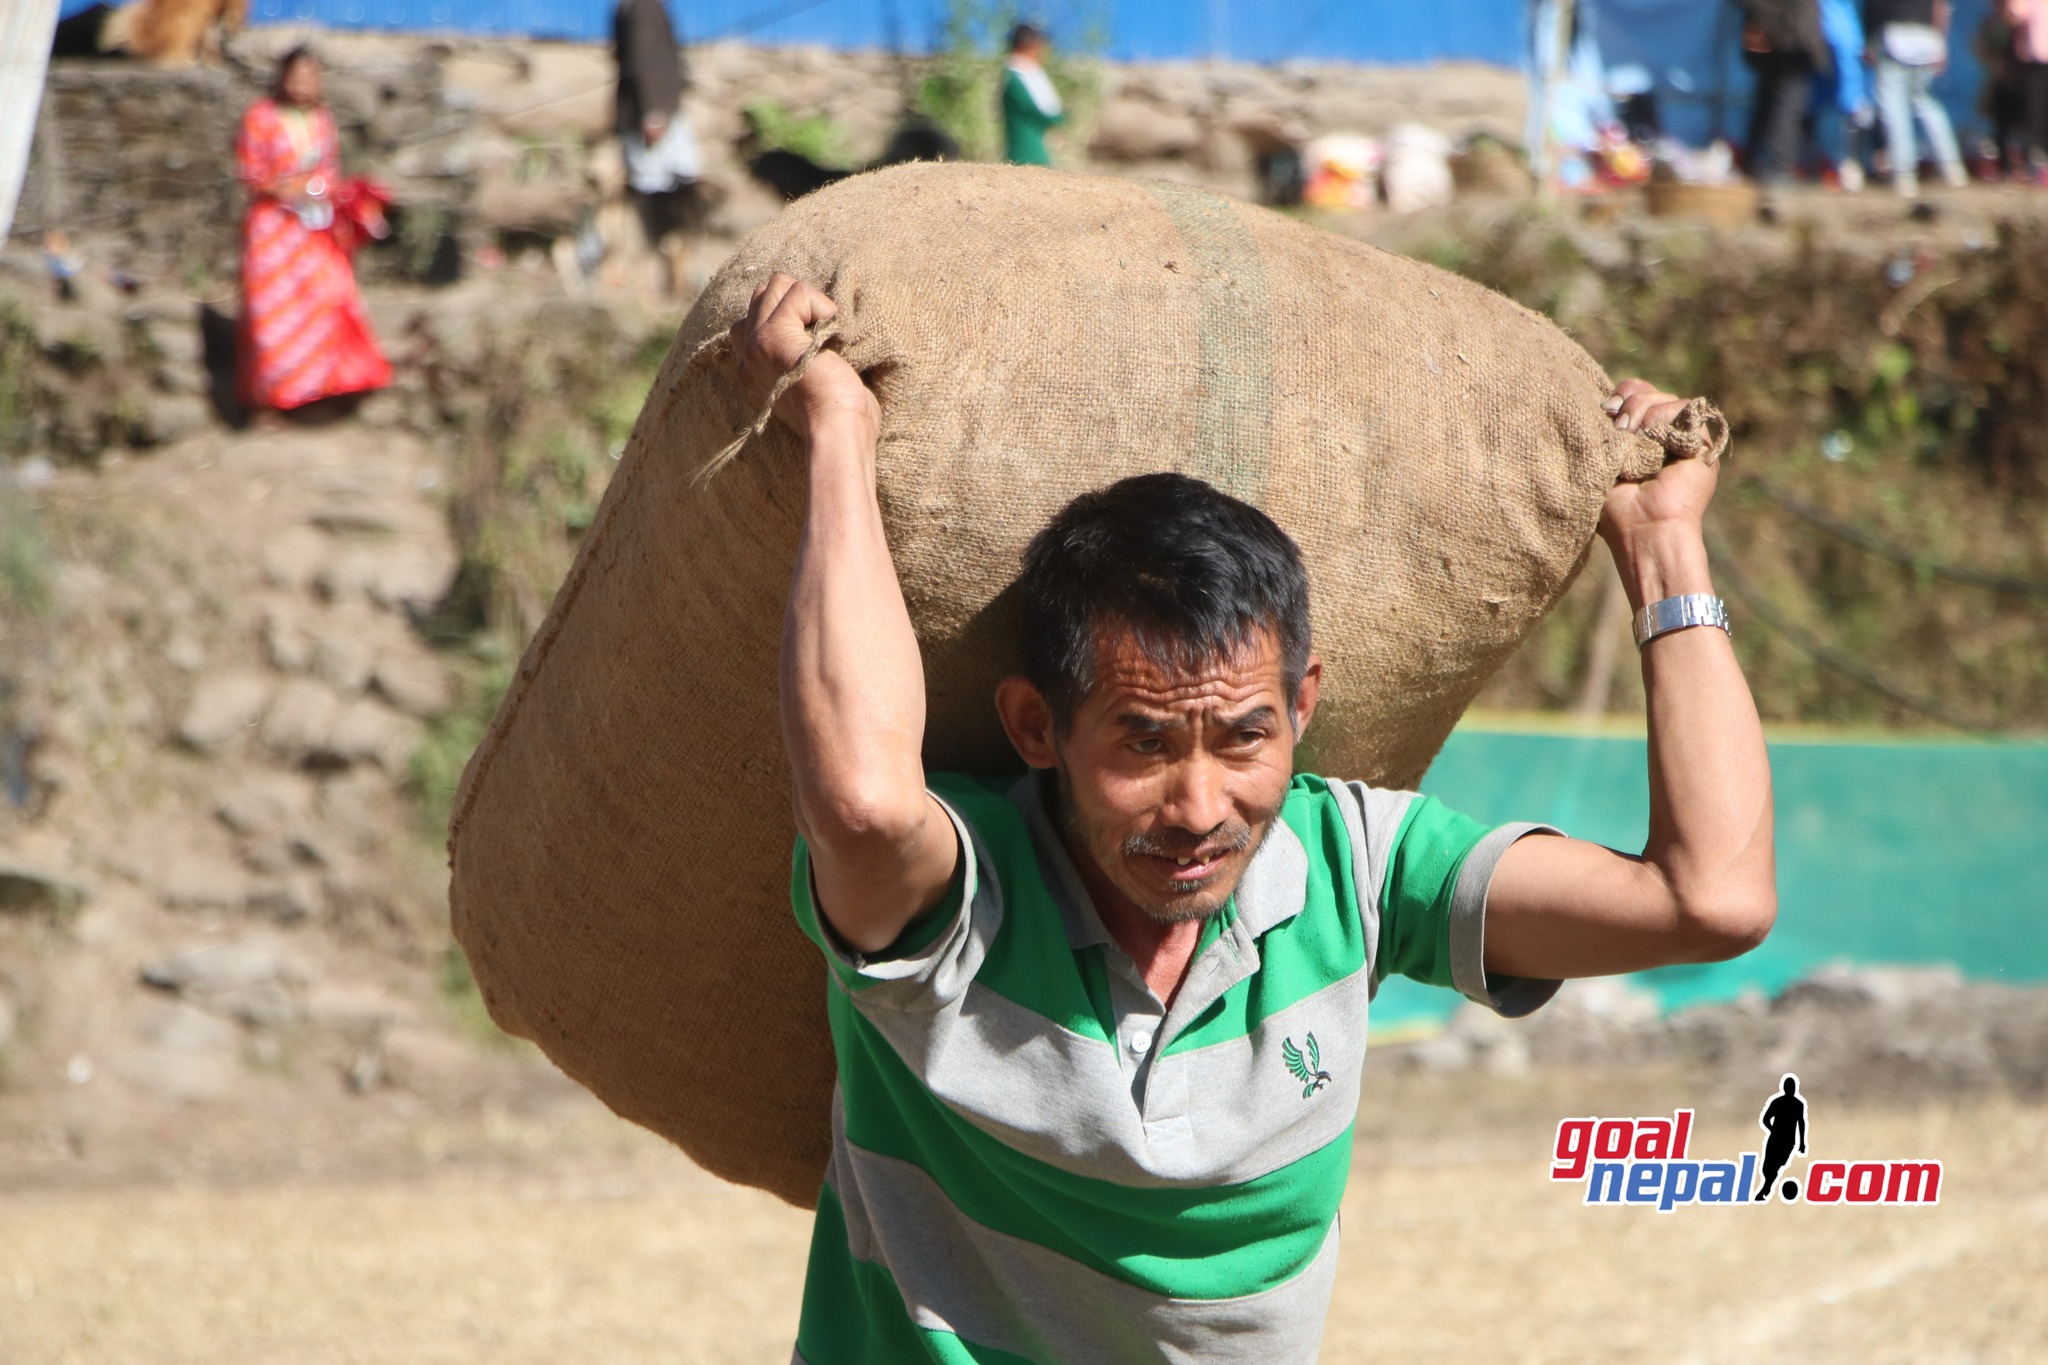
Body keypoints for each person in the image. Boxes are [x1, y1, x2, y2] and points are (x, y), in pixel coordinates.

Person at [733, 275, 1778, 1363]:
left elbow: (1707, 900)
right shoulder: (966, 901)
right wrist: (838, 431)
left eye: (1242, 739)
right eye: (1142, 744)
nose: (1197, 811)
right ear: (1035, 728)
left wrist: (1661, 547)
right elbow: (857, 804)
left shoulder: (1356, 866)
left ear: (1302, 708)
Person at [235, 47, 390, 417]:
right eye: (296, 76)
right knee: (274, 312)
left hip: (313, 226)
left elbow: (329, 169)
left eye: (310, 77)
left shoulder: (322, 119)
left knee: (329, 297)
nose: (303, 84)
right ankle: (274, 399)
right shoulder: (262, 118)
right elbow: (252, 174)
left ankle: (322, 390)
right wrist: (291, 190)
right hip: (274, 229)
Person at [612, 0, 702, 290]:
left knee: (673, 187)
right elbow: (645, 56)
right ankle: (664, 272)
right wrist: (653, 113)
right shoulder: (643, 7)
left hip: (658, 110)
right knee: (660, 194)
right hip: (653, 115)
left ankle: (675, 273)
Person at [1865, 0, 1968, 194]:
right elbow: (1942, 7)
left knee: (1894, 107)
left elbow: (1874, 7)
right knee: (1924, 102)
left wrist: (1869, 40)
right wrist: (1940, 42)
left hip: (1895, 36)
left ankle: (1904, 174)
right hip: (1927, 38)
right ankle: (1952, 168)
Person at [1741, 0, 1835, 184]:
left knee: (1770, 101)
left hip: (1782, 34)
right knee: (1788, 105)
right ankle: (1778, 168)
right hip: (1792, 36)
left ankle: (1754, 162)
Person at [1001, 22, 1064, 167]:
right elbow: (1050, 114)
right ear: (1029, 45)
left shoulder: (1026, 74)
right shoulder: (1018, 79)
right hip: (1027, 157)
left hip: (1035, 154)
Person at [2006, 0, 2048, 181]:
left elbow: (2015, 17)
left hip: (2038, 62)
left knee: (2035, 116)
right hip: (2037, 62)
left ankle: (2036, 166)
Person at [1754, 1075, 1809, 1200]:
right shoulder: (1777, 1102)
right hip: (1775, 1139)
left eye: (1792, 1087)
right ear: (1784, 1088)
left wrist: (1802, 1143)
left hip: (1788, 1141)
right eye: (1789, 1086)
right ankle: (1765, 1189)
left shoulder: (1798, 1104)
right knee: (1767, 1167)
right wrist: (1773, 1131)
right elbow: (1765, 1119)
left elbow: (1801, 1123)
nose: (1791, 1089)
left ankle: (1764, 1190)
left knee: (1776, 1165)